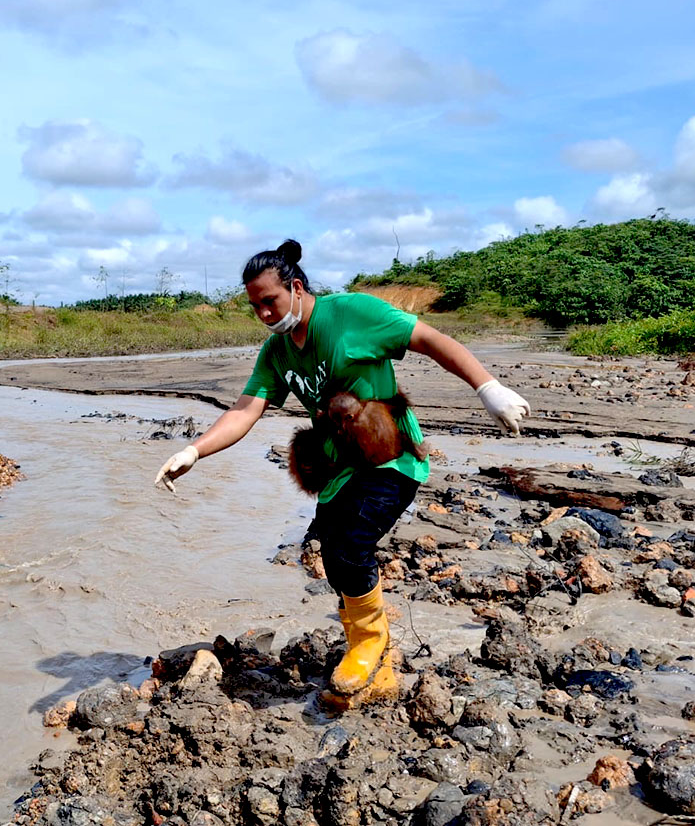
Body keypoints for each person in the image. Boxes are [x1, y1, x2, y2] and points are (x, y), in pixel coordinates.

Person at [154, 239, 530, 709]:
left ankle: (367, 645)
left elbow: (431, 340)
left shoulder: (353, 313)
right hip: (338, 469)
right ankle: (381, 666)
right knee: (333, 557)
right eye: (255, 307)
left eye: (269, 301)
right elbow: (246, 409)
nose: (265, 315)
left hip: (390, 459)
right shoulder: (276, 354)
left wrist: (488, 388)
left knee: (351, 545)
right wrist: (195, 450)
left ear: (295, 287)